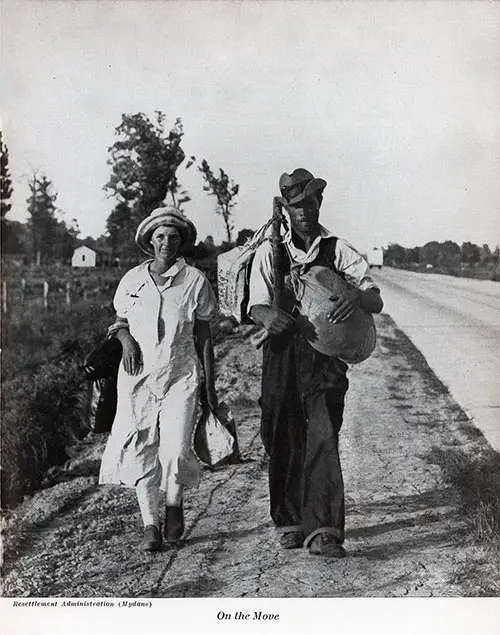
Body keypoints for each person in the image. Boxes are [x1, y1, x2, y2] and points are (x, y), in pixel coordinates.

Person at [248, 168, 383, 557]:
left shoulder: (338, 249)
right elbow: (253, 305)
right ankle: (290, 520)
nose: (303, 211)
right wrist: (265, 315)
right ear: (286, 210)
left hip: (325, 358)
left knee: (323, 433)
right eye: (295, 205)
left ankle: (323, 528)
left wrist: (356, 297)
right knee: (280, 431)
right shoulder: (268, 251)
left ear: (319, 203)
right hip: (281, 353)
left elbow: (376, 298)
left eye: (310, 203)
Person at [99, 206, 219, 552]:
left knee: (176, 447)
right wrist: (125, 341)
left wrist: (210, 384)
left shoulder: (194, 281)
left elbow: (205, 333)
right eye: (160, 237)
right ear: (150, 241)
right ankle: (150, 523)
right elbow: (119, 322)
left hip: (180, 374)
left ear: (181, 243)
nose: (167, 243)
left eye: (173, 237)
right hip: (137, 377)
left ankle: (174, 503)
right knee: (140, 447)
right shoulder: (132, 281)